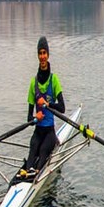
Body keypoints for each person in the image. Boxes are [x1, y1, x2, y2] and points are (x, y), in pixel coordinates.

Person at [18, 36, 66, 180]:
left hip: (50, 132)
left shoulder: (54, 80)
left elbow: (62, 108)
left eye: (44, 53)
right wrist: (35, 118)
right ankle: (29, 170)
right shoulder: (33, 83)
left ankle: (36, 172)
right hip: (38, 131)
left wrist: (47, 104)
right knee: (33, 147)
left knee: (44, 150)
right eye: (40, 53)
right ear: (38, 56)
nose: (42, 56)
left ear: (48, 55)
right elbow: (29, 118)